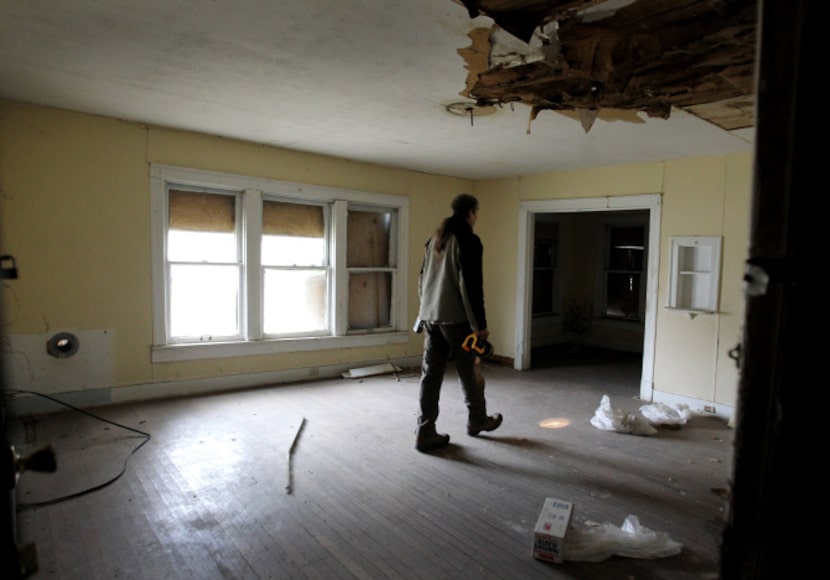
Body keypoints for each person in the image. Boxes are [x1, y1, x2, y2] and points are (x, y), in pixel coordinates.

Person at [413, 193, 502, 452]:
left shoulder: (435, 240)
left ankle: (424, 432)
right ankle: (477, 420)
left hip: (431, 317)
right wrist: (480, 326)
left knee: (430, 376)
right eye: (476, 214)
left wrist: (427, 309)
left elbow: (421, 280)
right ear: (471, 213)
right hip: (458, 322)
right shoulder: (469, 240)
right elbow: (471, 286)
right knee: (470, 372)